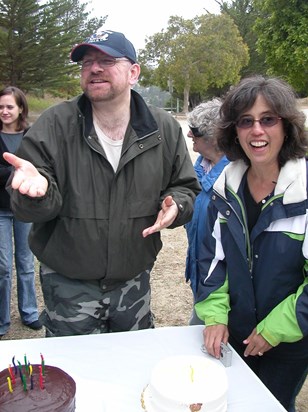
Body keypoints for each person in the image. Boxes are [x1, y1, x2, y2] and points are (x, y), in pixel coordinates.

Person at [3, 30, 200, 337]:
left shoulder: (163, 129)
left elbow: (186, 187)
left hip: (134, 280)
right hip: (68, 283)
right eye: (86, 62)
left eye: (106, 60)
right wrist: (34, 193)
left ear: (133, 72)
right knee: (74, 372)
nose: (94, 68)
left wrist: (178, 203)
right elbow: (30, 207)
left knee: (131, 366)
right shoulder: (54, 124)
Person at [195, 75, 308, 411]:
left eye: (268, 119)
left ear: (286, 126)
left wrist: (275, 330)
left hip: (290, 340)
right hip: (234, 331)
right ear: (234, 131)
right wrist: (215, 316)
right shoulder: (223, 190)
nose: (256, 130)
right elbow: (212, 261)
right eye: (246, 121)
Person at [0, 86, 42, 338]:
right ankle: (2, 319)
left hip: (25, 210)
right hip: (1, 211)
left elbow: (39, 166)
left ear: (20, 109)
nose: (4, 111)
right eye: (1, 106)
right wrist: (17, 172)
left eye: (9, 106)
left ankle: (30, 312)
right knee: (3, 267)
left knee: (26, 263)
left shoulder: (31, 135)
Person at [184, 98, 229, 325]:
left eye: (195, 131)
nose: (190, 135)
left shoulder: (234, 177)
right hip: (200, 278)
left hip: (222, 288)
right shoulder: (198, 170)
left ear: (213, 137)